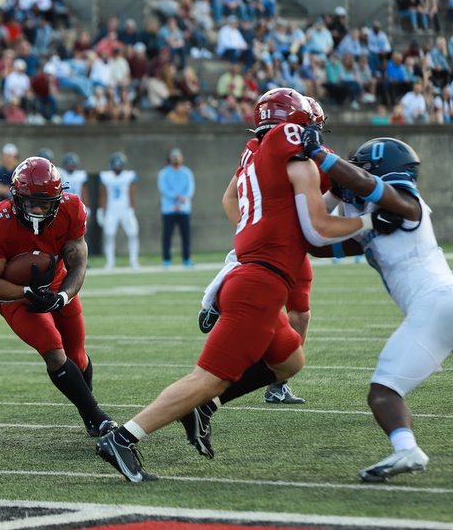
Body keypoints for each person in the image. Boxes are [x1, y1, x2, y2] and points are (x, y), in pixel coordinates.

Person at [95, 88, 403, 481]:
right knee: (207, 378)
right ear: (297, 126)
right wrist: (371, 221)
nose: (315, 136)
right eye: (311, 128)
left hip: (255, 274)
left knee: (289, 360)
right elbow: (320, 229)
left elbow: (264, 203)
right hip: (259, 283)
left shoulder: (257, 156)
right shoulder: (290, 152)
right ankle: (122, 438)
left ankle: (204, 407)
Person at [302, 134, 439, 482]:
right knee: (383, 393)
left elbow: (366, 184)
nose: (355, 173)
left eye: (362, 166)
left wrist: (318, 154)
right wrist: (336, 194)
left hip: (436, 304)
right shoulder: (373, 220)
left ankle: (407, 449)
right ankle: (406, 449)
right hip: (435, 310)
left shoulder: (408, 205)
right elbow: (315, 244)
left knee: (383, 392)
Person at [197, 95, 332, 406]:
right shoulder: (268, 151)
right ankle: (219, 292)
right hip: (274, 247)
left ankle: (278, 382)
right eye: (309, 125)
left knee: (300, 313)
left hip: (289, 244)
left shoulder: (263, 149)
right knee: (266, 307)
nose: (312, 132)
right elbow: (230, 197)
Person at [0, 156, 116, 439]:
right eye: (30, 203)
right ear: (15, 197)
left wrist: (62, 297)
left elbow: (78, 264)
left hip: (56, 284)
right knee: (54, 350)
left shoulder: (71, 208)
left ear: (58, 198)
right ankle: (96, 415)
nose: (38, 210)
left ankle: (87, 410)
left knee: (78, 357)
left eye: (45, 203)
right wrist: (26, 291)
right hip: (16, 293)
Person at [97, 152, 139, 269]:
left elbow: (132, 193)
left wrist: (131, 209)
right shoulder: (106, 176)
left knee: (133, 234)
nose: (118, 167)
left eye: (119, 165)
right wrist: (100, 210)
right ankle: (110, 262)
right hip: (112, 210)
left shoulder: (128, 176)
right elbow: (103, 195)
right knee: (109, 235)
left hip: (125, 210)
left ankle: (133, 260)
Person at [157, 148, 195, 268]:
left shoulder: (187, 173)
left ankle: (186, 259)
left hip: (184, 208)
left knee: (186, 235)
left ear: (181, 159)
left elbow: (190, 189)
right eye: (173, 157)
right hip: (168, 209)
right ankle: (166, 259)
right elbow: (163, 189)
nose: (175, 160)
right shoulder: (164, 173)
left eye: (177, 157)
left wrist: (183, 198)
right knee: (167, 235)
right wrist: (175, 197)